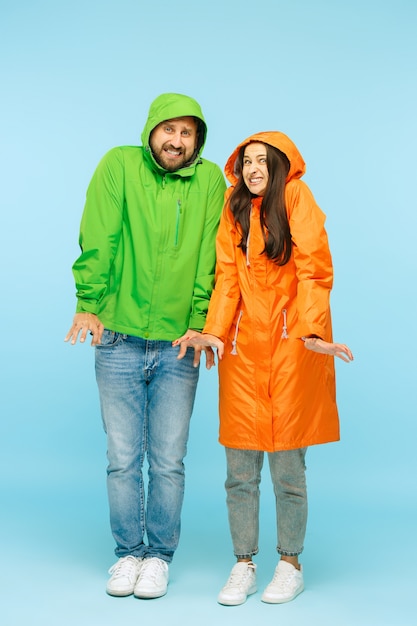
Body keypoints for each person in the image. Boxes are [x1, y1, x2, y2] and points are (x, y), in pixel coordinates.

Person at [174, 131, 353, 606]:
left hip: (290, 347)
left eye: (262, 161)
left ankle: (290, 562)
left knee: (288, 471)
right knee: (240, 470)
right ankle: (243, 563)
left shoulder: (295, 196)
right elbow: (227, 277)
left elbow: (315, 266)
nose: (253, 169)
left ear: (279, 167)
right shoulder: (234, 209)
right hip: (242, 352)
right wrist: (214, 330)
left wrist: (311, 330)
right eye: (246, 161)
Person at [65, 93, 226, 599]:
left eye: (187, 133)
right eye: (169, 129)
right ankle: (127, 554)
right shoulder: (119, 165)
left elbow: (210, 256)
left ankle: (158, 556)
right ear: (152, 129)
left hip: (180, 344)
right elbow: (100, 237)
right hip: (118, 336)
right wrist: (88, 301)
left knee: (169, 458)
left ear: (197, 140)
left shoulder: (210, 181)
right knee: (121, 456)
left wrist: (200, 322)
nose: (176, 140)